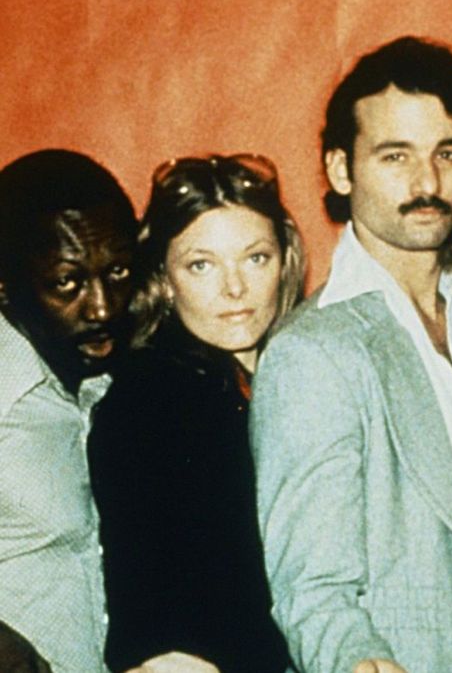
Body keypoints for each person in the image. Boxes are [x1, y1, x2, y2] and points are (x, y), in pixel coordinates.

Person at [251, 36, 452, 673]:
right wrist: (355, 657)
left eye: (447, 154)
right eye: (395, 156)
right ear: (342, 169)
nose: (427, 183)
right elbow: (311, 589)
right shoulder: (312, 354)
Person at [86, 154, 301, 673]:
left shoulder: (301, 372)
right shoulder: (148, 402)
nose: (234, 288)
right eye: (201, 265)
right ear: (164, 277)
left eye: (255, 258)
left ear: (286, 260)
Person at [0, 149, 138, 672]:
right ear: (5, 285)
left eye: (118, 271)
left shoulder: (118, 381)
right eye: (67, 282)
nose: (103, 307)